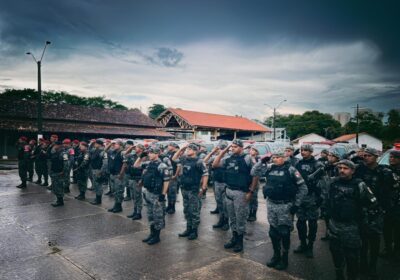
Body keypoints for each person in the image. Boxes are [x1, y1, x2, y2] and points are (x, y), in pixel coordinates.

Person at [252, 149, 307, 270]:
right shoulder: (269, 168)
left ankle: (284, 258)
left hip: (285, 205)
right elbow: (254, 172)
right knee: (273, 232)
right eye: (274, 157)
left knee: (284, 232)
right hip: (271, 204)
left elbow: (303, 188)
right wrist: (261, 161)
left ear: (284, 158)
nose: (274, 159)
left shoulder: (291, 170)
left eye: (277, 157)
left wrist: (296, 205)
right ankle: (276, 255)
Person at [326, 160, 378, 280]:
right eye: (340, 168)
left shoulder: (359, 184)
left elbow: (373, 204)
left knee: (352, 256)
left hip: (351, 227)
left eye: (345, 168)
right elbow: (327, 200)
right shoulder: (333, 182)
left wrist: (366, 223)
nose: (342, 171)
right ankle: (339, 275)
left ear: (353, 170)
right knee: (335, 253)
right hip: (334, 224)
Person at [213, 139, 256, 253]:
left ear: (241, 148)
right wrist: (225, 150)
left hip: (241, 192)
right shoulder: (228, 158)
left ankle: (240, 241)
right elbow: (215, 164)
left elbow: (255, 175)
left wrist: (251, 191)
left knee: (240, 218)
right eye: (232, 147)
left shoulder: (247, 158)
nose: (233, 148)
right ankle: (234, 238)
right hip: (229, 191)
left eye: (235, 146)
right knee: (232, 217)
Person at [355, 147, 393, 279]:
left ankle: (373, 266)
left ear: (376, 156)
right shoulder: (360, 169)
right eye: (364, 155)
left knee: (374, 240)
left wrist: (384, 208)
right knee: (362, 239)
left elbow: (389, 192)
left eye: (369, 155)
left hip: (377, 210)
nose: (365, 157)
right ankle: (363, 263)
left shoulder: (385, 172)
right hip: (362, 209)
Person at [294, 144, 325, 258]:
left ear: (311, 152)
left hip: (312, 197)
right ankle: (303, 243)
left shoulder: (318, 164)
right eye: (302, 150)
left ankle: (310, 246)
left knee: (312, 223)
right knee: (300, 222)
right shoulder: (298, 163)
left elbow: (324, 182)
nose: (303, 152)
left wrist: (321, 198)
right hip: (301, 196)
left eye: (306, 150)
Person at [134, 147, 170, 245]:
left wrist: (163, 194)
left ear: (157, 154)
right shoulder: (148, 164)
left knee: (158, 216)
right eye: (149, 153)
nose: (149, 154)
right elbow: (136, 165)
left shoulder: (162, 165)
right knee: (150, 215)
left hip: (157, 194)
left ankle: (157, 237)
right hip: (148, 192)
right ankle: (152, 234)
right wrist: (141, 157)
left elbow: (166, 181)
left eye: (151, 153)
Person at [173, 143, 209, 240]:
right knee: (187, 210)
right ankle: (188, 229)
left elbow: (205, 174)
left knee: (194, 211)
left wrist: (203, 187)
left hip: (194, 189)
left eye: (189, 149)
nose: (187, 151)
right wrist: (182, 148)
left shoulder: (199, 161)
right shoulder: (184, 159)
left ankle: (194, 231)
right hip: (184, 188)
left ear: (195, 151)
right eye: (187, 150)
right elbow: (174, 158)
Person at [204, 140, 230, 231]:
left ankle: (226, 221)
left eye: (220, 148)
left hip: (226, 183)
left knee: (225, 203)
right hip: (216, 182)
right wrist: (212, 152)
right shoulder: (215, 157)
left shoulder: (229, 158)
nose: (219, 150)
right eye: (218, 148)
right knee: (219, 202)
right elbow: (204, 161)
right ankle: (221, 220)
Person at [381, 149, 400, 261]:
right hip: (388, 205)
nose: (391, 159)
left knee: (397, 230)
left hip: (398, 205)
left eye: (394, 157)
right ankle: (388, 249)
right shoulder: (385, 170)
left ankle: (396, 250)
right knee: (387, 229)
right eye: (390, 157)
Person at [320, 148, 341, 241]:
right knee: (326, 214)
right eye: (329, 155)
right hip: (326, 193)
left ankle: (337, 233)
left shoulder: (339, 167)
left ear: (337, 157)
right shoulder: (326, 165)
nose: (330, 157)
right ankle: (328, 232)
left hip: (336, 194)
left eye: (332, 156)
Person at [126, 143, 145, 220]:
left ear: (141, 149)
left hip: (138, 178)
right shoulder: (132, 155)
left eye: (137, 147)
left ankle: (138, 213)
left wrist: (142, 179)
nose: (135, 148)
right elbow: (125, 154)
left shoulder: (144, 157)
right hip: (131, 177)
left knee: (138, 196)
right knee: (133, 196)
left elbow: (144, 170)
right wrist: (131, 148)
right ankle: (135, 211)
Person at [107, 139, 125, 213]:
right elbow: (105, 150)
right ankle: (115, 205)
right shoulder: (114, 152)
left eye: (116, 144)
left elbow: (124, 164)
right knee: (114, 191)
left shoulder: (122, 153)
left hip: (118, 174)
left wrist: (121, 174)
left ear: (120, 146)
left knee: (119, 191)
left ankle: (119, 206)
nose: (114, 145)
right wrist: (110, 144)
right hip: (112, 174)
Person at [50, 141, 69, 207]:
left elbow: (66, 164)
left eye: (55, 145)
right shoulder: (56, 152)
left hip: (59, 173)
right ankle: (58, 200)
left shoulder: (63, 153)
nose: (54, 146)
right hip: (55, 172)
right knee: (55, 187)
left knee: (59, 187)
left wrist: (63, 172)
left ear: (58, 146)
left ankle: (60, 201)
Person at [89, 139, 108, 205]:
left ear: (99, 144)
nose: (94, 144)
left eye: (96, 143)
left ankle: (98, 199)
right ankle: (97, 197)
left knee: (98, 185)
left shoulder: (102, 151)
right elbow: (90, 151)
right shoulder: (95, 150)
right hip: (94, 169)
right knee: (96, 185)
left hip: (98, 170)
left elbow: (105, 163)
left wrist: (101, 171)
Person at [165, 142, 180, 214]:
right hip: (168, 175)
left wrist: (176, 175)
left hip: (173, 175)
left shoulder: (176, 153)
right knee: (168, 192)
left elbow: (178, 166)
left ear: (173, 146)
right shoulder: (168, 153)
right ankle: (169, 205)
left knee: (172, 193)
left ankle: (172, 207)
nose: (168, 147)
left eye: (169, 146)